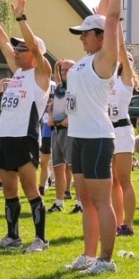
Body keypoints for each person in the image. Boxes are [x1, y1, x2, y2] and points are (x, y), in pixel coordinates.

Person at [63, 0, 128, 275]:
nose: (81, 38)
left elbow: (110, 19)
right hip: (77, 136)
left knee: (102, 202)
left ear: (101, 38)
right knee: (85, 200)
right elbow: (101, 16)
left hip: (98, 138)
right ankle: (88, 256)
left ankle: (106, 260)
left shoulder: (105, 59)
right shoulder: (85, 60)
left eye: (85, 34)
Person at [0, 0, 52, 253]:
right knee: (9, 190)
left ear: (35, 53)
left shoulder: (41, 74)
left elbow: (33, 46)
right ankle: (12, 237)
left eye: (21, 49)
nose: (16, 52)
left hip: (25, 138)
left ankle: (40, 240)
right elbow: (4, 43)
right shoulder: (17, 74)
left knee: (30, 189)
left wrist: (21, 18)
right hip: (5, 137)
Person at [110, 29, 139, 236]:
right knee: (112, 181)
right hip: (107, 129)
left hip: (121, 130)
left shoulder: (126, 79)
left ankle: (128, 224)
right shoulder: (109, 77)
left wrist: (115, 28)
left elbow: (119, 47)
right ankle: (116, 222)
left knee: (124, 180)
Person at [48, 59, 75, 213]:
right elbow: (52, 105)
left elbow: (81, 106)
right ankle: (59, 203)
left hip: (70, 131)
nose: (64, 73)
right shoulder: (59, 87)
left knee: (74, 167)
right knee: (58, 168)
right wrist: (50, 116)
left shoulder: (77, 87)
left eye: (67, 70)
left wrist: (70, 118)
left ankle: (80, 204)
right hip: (56, 130)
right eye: (62, 70)